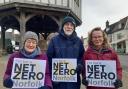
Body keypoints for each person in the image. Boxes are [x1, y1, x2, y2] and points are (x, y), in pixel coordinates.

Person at [46, 16, 85, 89]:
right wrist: (52, 76)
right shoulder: (54, 41)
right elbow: (49, 59)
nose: (69, 27)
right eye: (67, 24)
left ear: (74, 27)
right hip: (58, 82)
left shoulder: (78, 41)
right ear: (63, 26)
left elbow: (82, 56)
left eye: (71, 25)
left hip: (74, 81)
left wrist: (80, 65)